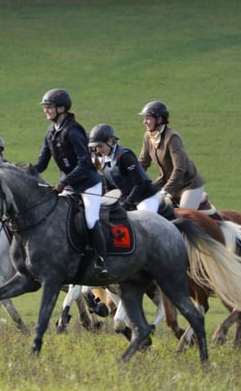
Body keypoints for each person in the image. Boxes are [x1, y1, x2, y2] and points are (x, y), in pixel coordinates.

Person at [33, 88, 109, 281]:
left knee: (90, 219)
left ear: (62, 108)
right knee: (58, 217)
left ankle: (102, 260)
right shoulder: (50, 133)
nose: (46, 111)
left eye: (49, 107)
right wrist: (23, 172)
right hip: (70, 184)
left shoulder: (73, 131)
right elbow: (42, 163)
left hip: (89, 184)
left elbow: (85, 163)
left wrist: (63, 182)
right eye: (45, 107)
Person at [137, 100, 206, 210]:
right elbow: (143, 163)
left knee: (183, 216)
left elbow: (180, 168)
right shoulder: (147, 136)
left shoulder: (172, 138)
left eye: (148, 118)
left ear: (159, 119)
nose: (144, 122)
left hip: (188, 185)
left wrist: (165, 190)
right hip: (166, 182)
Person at [88, 123, 159, 213]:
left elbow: (140, 183)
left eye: (100, 146)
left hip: (145, 198)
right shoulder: (103, 161)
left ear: (110, 141)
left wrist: (127, 203)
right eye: (96, 147)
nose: (98, 150)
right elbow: (109, 188)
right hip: (127, 200)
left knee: (144, 220)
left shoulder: (125, 156)